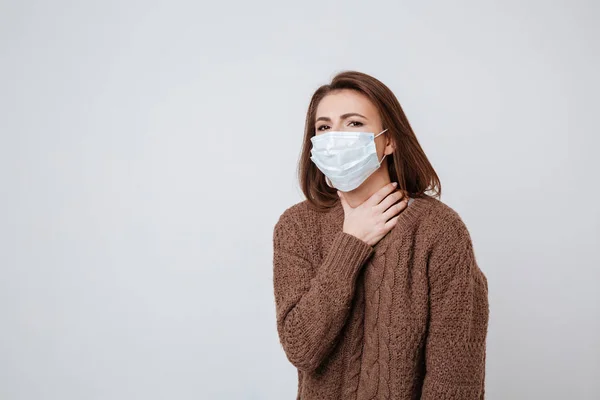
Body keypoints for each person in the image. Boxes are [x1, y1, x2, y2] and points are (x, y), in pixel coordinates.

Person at [272, 71, 489, 399]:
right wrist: (351, 244)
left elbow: (456, 377)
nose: (336, 135)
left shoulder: (438, 230)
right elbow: (301, 348)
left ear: (389, 140)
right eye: (324, 127)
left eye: (354, 123)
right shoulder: (296, 226)